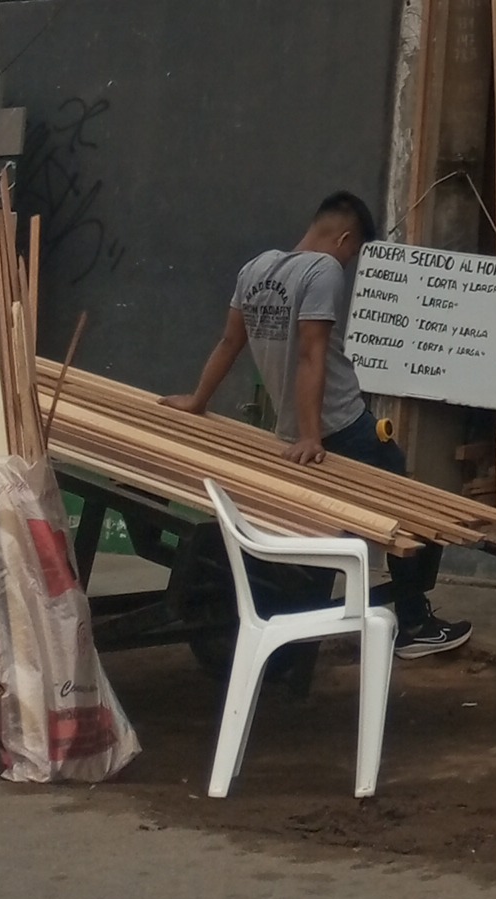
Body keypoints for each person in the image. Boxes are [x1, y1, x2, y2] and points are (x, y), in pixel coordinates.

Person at [173, 188, 471, 662]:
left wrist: (197, 400)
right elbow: (312, 354)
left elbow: (230, 342)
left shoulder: (256, 268)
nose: (347, 265)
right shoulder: (324, 271)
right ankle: (415, 625)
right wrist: (314, 435)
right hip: (342, 425)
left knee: (326, 533)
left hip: (292, 433)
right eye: (352, 255)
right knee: (412, 510)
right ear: (345, 239)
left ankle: (300, 634)